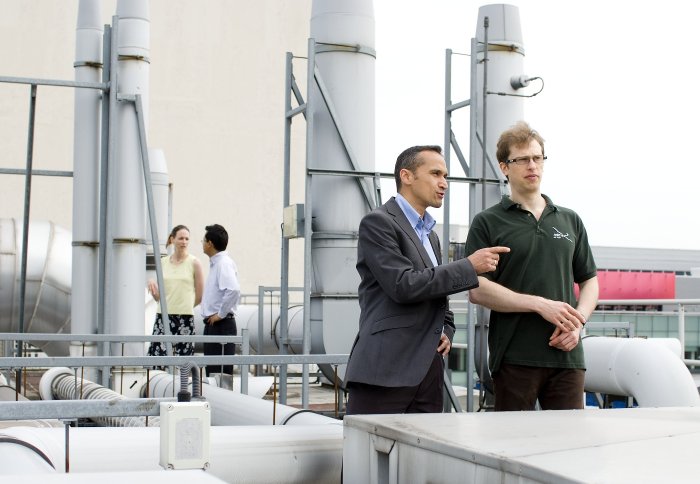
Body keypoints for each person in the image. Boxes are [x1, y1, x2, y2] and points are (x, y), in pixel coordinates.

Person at [344, 145, 510, 415]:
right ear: (406, 176)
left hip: (428, 371)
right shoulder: (378, 223)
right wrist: (469, 266)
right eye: (435, 174)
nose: (444, 183)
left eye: (445, 176)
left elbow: (436, 293)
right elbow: (403, 285)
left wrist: (447, 329)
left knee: (420, 457)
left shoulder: (430, 235)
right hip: (385, 370)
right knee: (366, 455)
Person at [466, 121, 599, 411]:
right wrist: (540, 305)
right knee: (514, 446)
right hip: (514, 356)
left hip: (567, 356)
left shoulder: (569, 220)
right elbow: (477, 289)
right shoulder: (488, 222)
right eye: (522, 159)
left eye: (537, 158)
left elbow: (589, 281)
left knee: (569, 448)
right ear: (504, 167)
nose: (532, 165)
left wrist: (578, 323)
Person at [147, 224, 204, 358]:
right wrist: (151, 283)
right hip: (163, 316)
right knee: (158, 358)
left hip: (185, 317)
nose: (184, 242)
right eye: (180, 238)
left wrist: (185, 306)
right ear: (172, 239)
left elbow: (200, 296)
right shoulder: (163, 262)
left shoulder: (195, 263)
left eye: (186, 239)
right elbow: (159, 298)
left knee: (183, 362)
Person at [200, 223, 241, 376]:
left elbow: (233, 289)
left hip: (221, 325)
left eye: (203, 240)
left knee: (220, 374)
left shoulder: (223, 263)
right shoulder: (217, 263)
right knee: (213, 373)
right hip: (215, 324)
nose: (202, 244)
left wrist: (220, 314)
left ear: (210, 243)